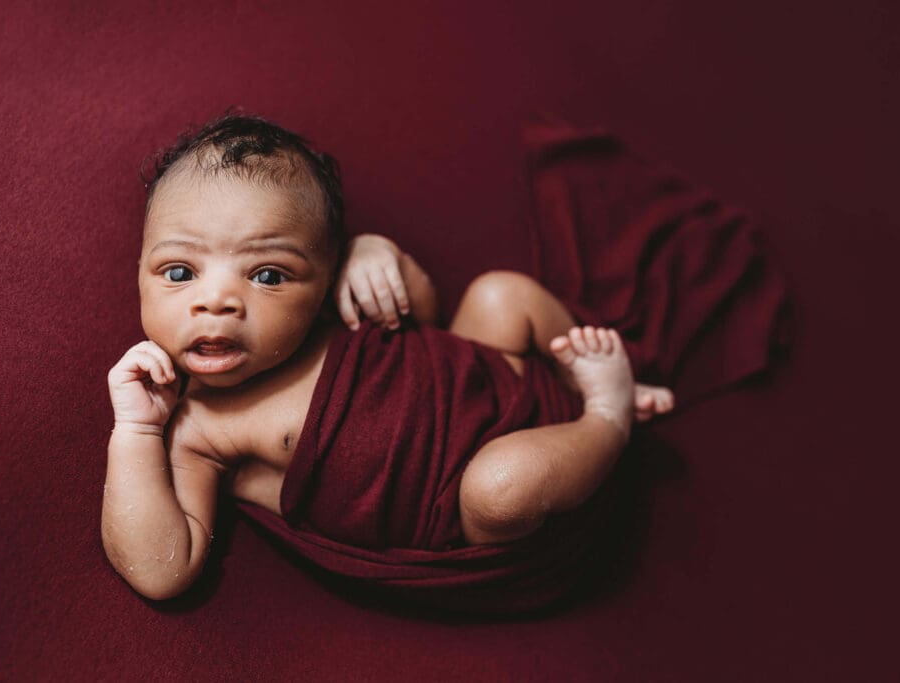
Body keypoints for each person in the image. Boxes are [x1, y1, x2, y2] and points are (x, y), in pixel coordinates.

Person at [102, 114, 674, 600]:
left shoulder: (329, 312)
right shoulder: (197, 431)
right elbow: (162, 570)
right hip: (486, 493)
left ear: (324, 279)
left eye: (268, 274)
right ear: (139, 275)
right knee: (502, 488)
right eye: (180, 272)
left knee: (501, 293)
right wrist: (134, 431)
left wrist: (376, 256)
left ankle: (588, 370)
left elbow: (423, 315)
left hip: (489, 375)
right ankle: (608, 415)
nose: (217, 301)